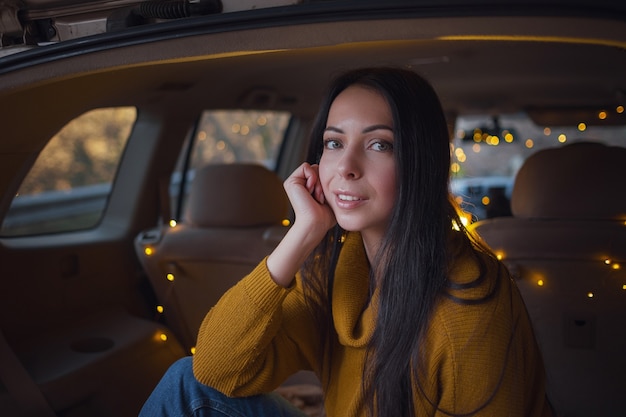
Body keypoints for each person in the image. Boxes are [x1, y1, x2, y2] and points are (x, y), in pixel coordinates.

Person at [139, 67, 554, 416]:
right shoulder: (333, 264)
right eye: (334, 143)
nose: (346, 168)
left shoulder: (470, 299)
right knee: (185, 383)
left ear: (419, 161)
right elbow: (215, 369)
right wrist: (301, 234)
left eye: (379, 144)